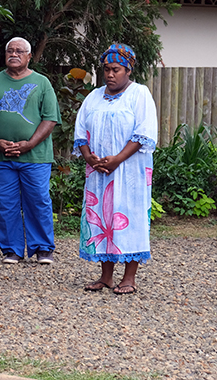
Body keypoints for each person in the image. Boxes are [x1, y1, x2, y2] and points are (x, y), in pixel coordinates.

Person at [73, 43, 157, 295]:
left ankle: (129, 277)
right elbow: (81, 131)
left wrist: (118, 159)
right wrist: (89, 158)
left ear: (128, 70)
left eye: (116, 70)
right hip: (99, 173)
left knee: (128, 217)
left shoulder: (139, 95)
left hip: (129, 172)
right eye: (106, 69)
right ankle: (106, 276)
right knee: (102, 217)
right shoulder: (94, 97)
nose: (110, 74)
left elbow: (144, 133)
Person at [0, 37, 61, 265]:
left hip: (34, 156)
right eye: (10, 51)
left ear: (29, 56)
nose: (13, 54)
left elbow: (50, 118)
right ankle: (11, 250)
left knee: (38, 200)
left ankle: (43, 249)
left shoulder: (42, 83)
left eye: (19, 51)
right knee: (4, 203)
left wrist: (30, 144)